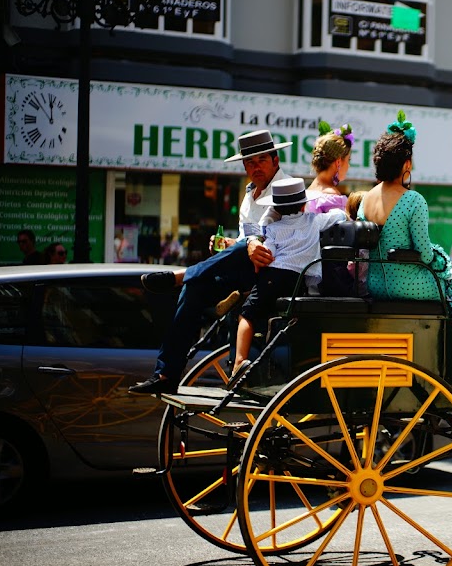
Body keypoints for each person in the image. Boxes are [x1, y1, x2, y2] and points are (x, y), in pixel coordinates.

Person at [130, 129, 290, 394]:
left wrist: (247, 244)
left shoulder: (288, 188)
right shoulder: (249, 195)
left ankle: (181, 274)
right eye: (249, 162)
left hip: (276, 270)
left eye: (261, 160)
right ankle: (166, 374)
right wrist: (233, 244)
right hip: (248, 268)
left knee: (240, 249)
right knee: (194, 289)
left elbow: (272, 236)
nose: (255, 167)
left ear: (275, 160)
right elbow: (246, 238)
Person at [357, 110, 452, 318]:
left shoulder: (365, 200)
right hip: (409, 286)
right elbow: (425, 254)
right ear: (407, 164)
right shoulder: (413, 200)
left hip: (375, 286)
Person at [231, 178, 348, 377]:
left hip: (273, 277)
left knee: (247, 315)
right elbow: (339, 215)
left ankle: (239, 362)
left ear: (276, 208)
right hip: (298, 282)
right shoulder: (314, 221)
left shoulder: (274, 229)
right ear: (304, 204)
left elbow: (267, 254)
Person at [305, 122, 355, 296]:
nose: (348, 167)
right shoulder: (332, 198)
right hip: (327, 280)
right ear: (338, 162)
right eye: (348, 161)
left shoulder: (306, 193)